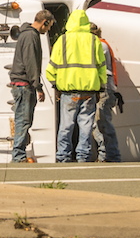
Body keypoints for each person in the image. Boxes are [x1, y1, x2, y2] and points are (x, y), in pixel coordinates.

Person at [46, 9, 110, 163]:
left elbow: (51, 68)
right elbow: (101, 67)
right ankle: (83, 156)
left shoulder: (62, 40)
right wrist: (101, 87)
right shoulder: (94, 40)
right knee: (86, 126)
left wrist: (56, 85)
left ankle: (63, 156)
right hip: (89, 91)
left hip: (68, 91)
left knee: (66, 126)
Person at [8, 10, 54, 163]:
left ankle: (19, 154)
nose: (48, 30)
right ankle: (18, 155)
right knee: (23, 120)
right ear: (44, 22)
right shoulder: (30, 36)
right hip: (24, 85)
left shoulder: (26, 34)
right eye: (49, 27)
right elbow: (31, 63)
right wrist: (38, 86)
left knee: (24, 119)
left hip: (22, 84)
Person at [88, 23, 121, 163]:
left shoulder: (99, 45)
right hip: (107, 85)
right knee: (100, 121)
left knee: (101, 122)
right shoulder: (103, 44)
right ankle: (106, 154)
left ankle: (108, 155)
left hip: (103, 85)